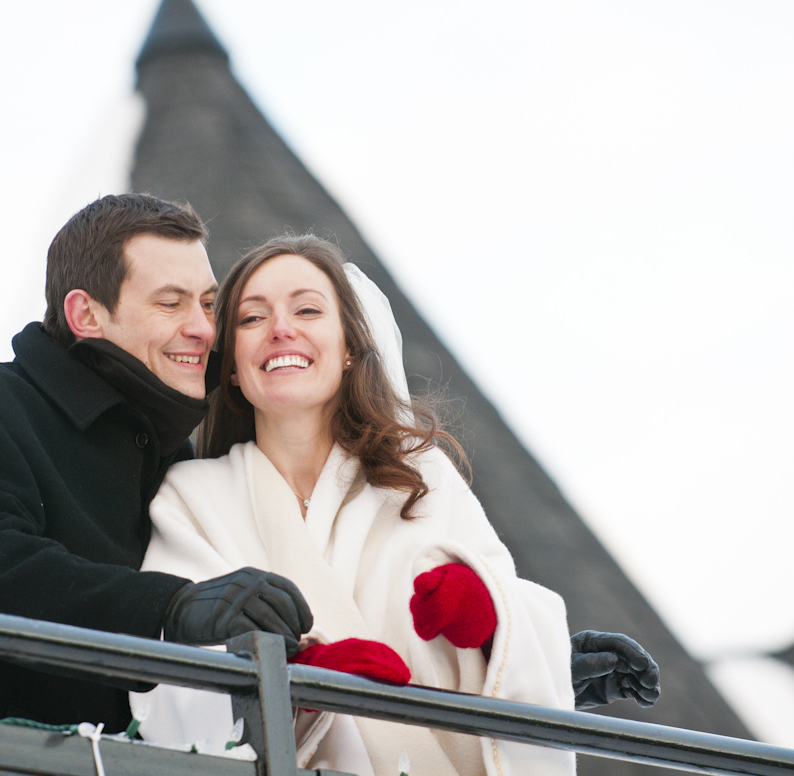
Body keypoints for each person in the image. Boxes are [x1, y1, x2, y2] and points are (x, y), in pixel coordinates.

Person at [132, 234, 641, 775]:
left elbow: (519, 628)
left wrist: (490, 615)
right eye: (252, 318)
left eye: (307, 309)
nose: (282, 328)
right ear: (231, 364)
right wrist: (295, 679)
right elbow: (169, 673)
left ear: (350, 346)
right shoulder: (191, 497)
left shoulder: (421, 478)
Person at [0, 194, 312, 732]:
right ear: (85, 314)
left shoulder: (179, 460)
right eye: (171, 303)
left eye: (209, 304)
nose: (205, 329)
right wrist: (168, 610)